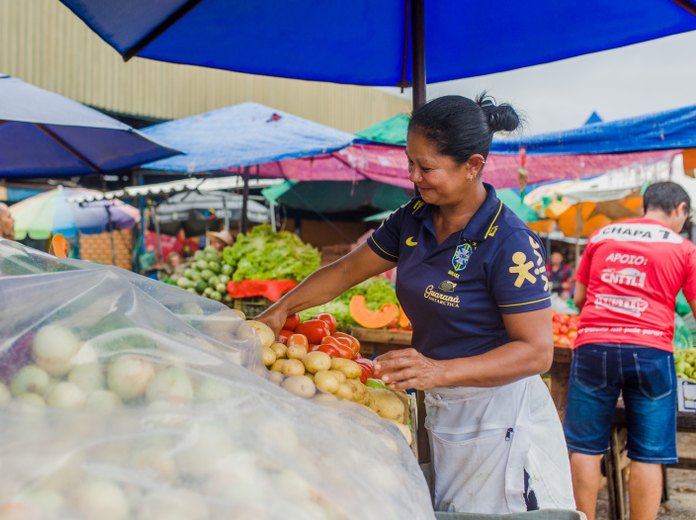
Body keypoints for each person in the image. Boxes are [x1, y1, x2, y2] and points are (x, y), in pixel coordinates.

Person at [257, 94, 574, 514]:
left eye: (426, 167)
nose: (414, 176)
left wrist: (439, 369)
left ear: (473, 166)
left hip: (499, 416)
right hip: (441, 402)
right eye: (410, 162)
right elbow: (346, 272)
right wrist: (281, 309)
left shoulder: (511, 242)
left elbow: (536, 353)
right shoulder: (414, 216)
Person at [565, 182, 696, 520]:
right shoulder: (683, 248)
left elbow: (579, 299)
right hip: (651, 350)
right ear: (680, 209)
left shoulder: (601, 235)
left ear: (645, 205)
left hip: (594, 345)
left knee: (584, 447)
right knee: (648, 454)